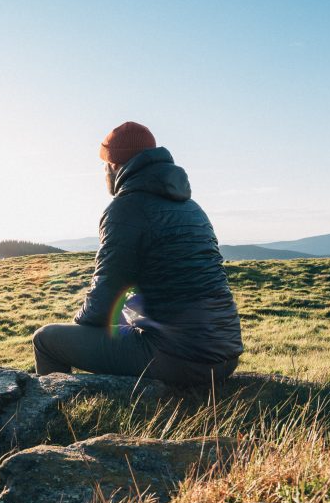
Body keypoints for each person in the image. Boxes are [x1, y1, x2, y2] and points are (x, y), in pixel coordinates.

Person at [33, 121, 242, 386]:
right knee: (120, 324)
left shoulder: (125, 209)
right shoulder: (191, 206)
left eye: (104, 165)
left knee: (46, 339)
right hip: (224, 355)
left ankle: (55, 411)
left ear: (114, 165)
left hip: (179, 359)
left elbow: (106, 296)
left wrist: (79, 329)